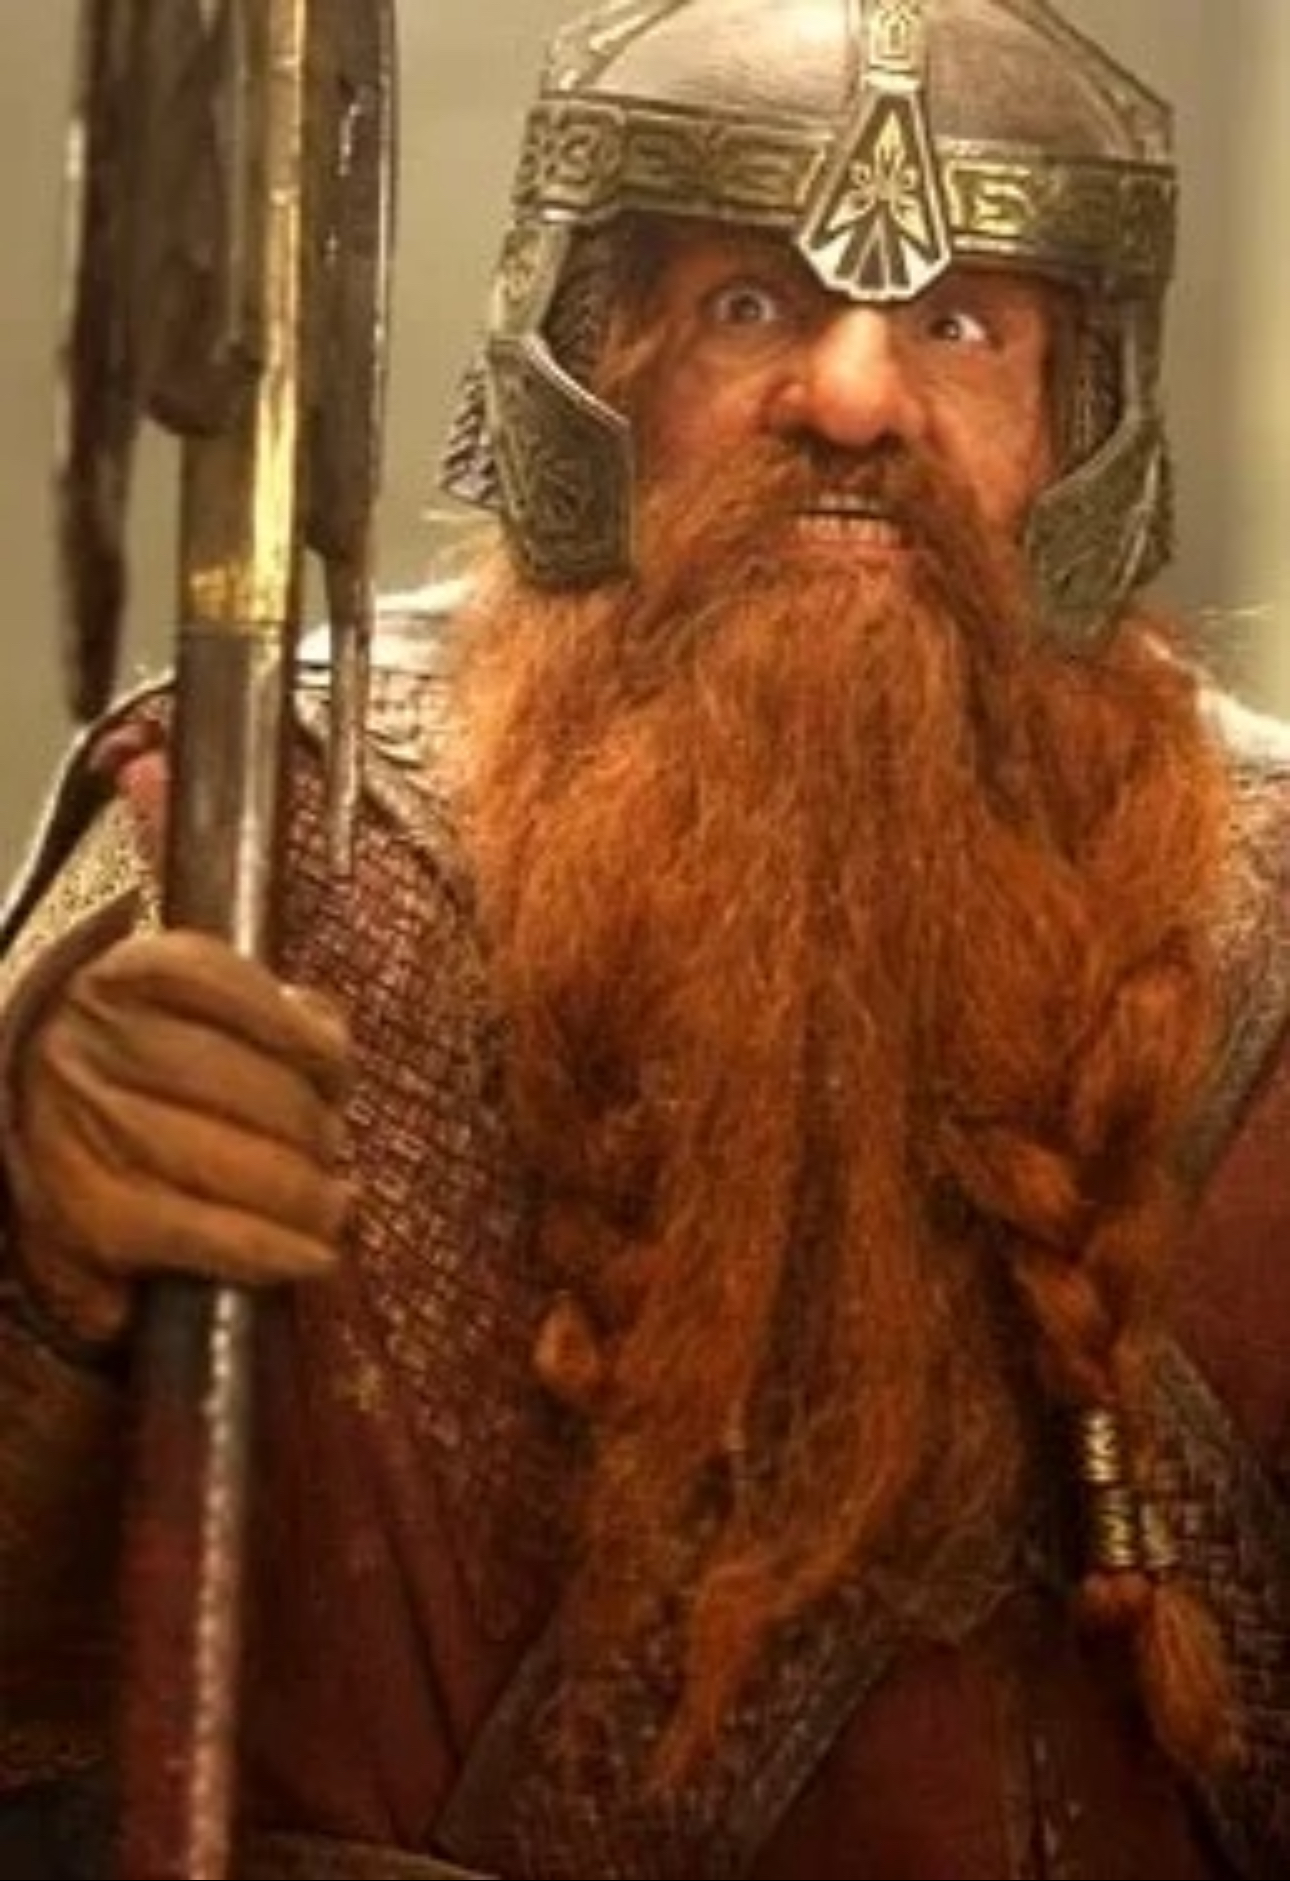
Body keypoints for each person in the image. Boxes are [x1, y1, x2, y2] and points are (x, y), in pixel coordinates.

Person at [2, 0, 1288, 1875]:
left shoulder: (1266, 921)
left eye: (956, 324)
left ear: (1080, 415)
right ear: (592, 365)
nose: (850, 398)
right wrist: (45, 1261)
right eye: (749, 304)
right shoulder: (260, 840)